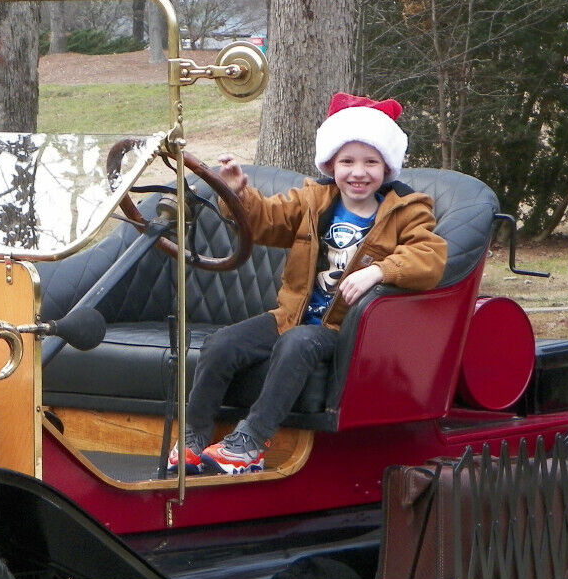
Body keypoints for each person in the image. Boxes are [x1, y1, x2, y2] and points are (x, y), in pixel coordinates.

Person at [170, 93, 448, 475]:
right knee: (222, 343)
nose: (358, 172)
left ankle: (251, 442)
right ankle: (192, 437)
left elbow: (430, 257)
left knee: (298, 343)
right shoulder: (313, 199)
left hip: (343, 328)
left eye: (371, 162)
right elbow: (267, 221)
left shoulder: (407, 209)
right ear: (331, 164)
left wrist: (378, 271)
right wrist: (235, 194)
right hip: (292, 315)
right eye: (347, 161)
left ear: (387, 167)